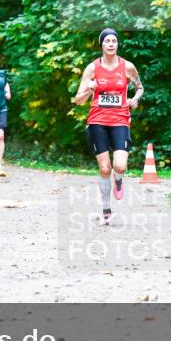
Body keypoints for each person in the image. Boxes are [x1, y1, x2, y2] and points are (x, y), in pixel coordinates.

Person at [72, 28, 144, 225]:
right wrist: (89, 89)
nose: (111, 44)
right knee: (105, 169)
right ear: (101, 45)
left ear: (117, 44)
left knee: (120, 166)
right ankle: (106, 210)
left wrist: (135, 99)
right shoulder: (92, 69)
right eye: (107, 41)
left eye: (114, 41)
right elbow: (78, 100)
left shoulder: (128, 67)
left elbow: (139, 87)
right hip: (97, 121)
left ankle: (118, 180)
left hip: (120, 119)